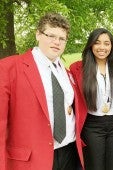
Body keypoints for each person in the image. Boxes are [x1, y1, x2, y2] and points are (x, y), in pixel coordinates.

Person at [0, 12, 83, 170]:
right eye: (51, 35)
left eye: (61, 38)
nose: (56, 42)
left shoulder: (66, 73)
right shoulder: (8, 68)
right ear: (38, 34)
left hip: (70, 151)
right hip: (33, 159)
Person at [70, 28, 113, 170]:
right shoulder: (78, 68)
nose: (102, 47)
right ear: (91, 45)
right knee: (94, 166)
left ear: (111, 46)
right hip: (92, 125)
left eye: (106, 43)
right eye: (97, 43)